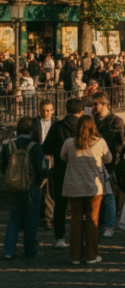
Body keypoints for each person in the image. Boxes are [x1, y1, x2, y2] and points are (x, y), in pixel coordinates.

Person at [60, 115, 112, 265]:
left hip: (74, 187)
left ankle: (74, 256)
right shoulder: (100, 142)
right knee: (92, 221)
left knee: (75, 221)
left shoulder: (69, 143)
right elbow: (108, 159)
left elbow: (62, 157)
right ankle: (91, 255)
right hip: (93, 187)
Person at [2, 117, 49, 260]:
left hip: (13, 187)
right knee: (31, 219)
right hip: (31, 187)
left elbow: (4, 167)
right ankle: (31, 251)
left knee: (14, 218)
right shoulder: (35, 147)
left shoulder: (8, 146)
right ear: (32, 130)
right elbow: (42, 169)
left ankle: (9, 250)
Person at [43, 97, 85, 248]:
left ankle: (60, 237)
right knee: (80, 205)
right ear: (81, 112)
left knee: (60, 205)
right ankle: (80, 236)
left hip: (61, 169)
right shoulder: (84, 127)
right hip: (81, 170)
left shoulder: (57, 126)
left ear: (66, 110)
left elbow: (46, 148)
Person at [91, 92, 125, 238]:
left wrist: (114, 163)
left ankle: (109, 225)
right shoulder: (92, 120)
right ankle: (98, 222)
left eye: (95, 104)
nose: (93, 107)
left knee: (109, 195)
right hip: (93, 160)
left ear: (105, 105)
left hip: (109, 161)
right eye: (93, 104)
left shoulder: (116, 121)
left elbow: (119, 144)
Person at [32, 100, 55, 230]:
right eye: (44, 110)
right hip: (37, 158)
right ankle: (36, 217)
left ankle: (48, 218)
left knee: (49, 190)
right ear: (39, 110)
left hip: (51, 160)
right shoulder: (33, 123)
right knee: (36, 188)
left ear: (52, 111)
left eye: (49, 110)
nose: (46, 113)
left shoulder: (56, 123)